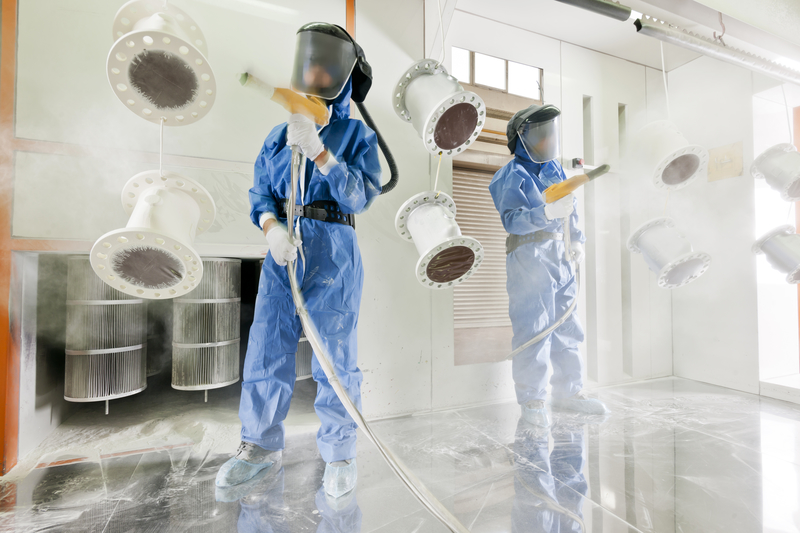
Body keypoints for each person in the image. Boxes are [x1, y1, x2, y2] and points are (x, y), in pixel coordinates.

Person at [216, 22, 381, 498]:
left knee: (335, 358)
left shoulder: (356, 135)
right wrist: (271, 229)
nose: (313, 72)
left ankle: (340, 454)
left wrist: (321, 153)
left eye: (325, 64)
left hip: (334, 252)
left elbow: (358, 196)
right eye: (308, 62)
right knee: (267, 345)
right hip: (284, 253)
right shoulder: (277, 133)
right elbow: (260, 193)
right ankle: (259, 448)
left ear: (345, 75)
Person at [489, 104, 608, 428]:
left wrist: (577, 240)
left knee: (568, 326)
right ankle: (534, 399)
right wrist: (545, 214)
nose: (548, 139)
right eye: (540, 134)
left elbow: (570, 209)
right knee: (534, 329)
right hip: (529, 255)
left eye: (550, 132)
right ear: (521, 139)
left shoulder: (555, 170)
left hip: (561, 254)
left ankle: (569, 393)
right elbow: (512, 221)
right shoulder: (509, 175)